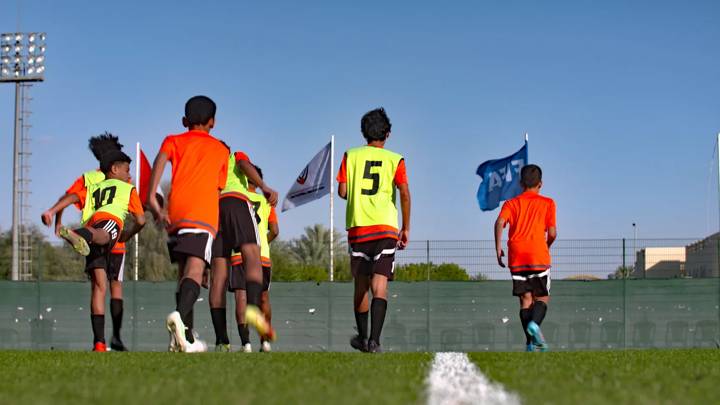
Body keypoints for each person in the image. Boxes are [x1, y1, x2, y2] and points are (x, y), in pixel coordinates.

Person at [145, 95, 231, 353]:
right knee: (195, 272)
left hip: (175, 215)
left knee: (184, 276)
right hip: (201, 215)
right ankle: (180, 321)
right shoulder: (221, 150)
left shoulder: (172, 140)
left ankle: (184, 340)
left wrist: (153, 201)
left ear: (184, 120)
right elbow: (218, 188)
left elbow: (158, 165)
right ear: (213, 122)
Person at [41, 149, 145, 352]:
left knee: (99, 287)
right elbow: (141, 220)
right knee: (104, 236)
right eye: (127, 170)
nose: (129, 175)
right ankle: (78, 234)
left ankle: (99, 343)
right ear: (114, 169)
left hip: (91, 225)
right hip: (109, 224)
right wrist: (128, 234)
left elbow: (71, 196)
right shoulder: (127, 189)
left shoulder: (92, 186)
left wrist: (52, 211)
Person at [337, 107, 411, 353]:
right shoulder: (396, 159)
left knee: (361, 286)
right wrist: (406, 228)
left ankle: (362, 337)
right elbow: (404, 193)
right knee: (380, 286)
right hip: (386, 228)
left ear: (363, 133)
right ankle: (375, 341)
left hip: (359, 228)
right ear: (388, 134)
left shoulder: (350, 155)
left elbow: (342, 191)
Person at [208, 152, 278, 353]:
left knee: (222, 282)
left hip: (217, 212)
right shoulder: (259, 199)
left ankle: (227, 341)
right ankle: (263, 337)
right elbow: (275, 230)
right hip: (257, 249)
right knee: (262, 296)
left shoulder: (212, 163)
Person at [494, 164, 557, 352]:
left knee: (525, 300)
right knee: (542, 298)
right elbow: (552, 232)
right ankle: (535, 326)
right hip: (538, 254)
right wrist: (547, 245)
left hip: (517, 255)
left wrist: (497, 247)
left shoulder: (510, 204)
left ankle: (530, 343)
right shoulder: (548, 203)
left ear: (521, 183)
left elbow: (499, 222)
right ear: (541, 184)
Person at [227, 164, 279, 353]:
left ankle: (245, 344)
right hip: (261, 254)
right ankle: (265, 342)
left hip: (239, 253)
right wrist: (262, 242)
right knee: (263, 297)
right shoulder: (266, 201)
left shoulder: (235, 197)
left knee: (241, 296)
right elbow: (275, 230)